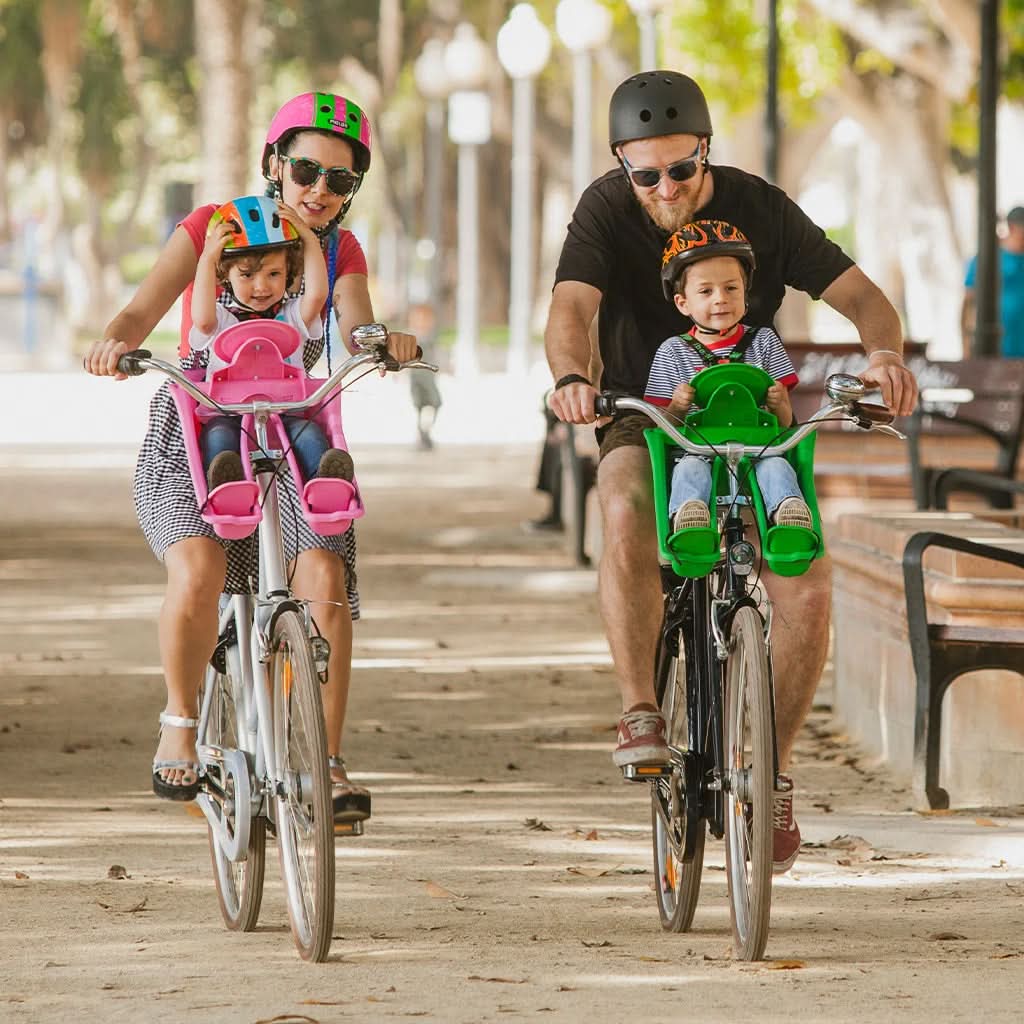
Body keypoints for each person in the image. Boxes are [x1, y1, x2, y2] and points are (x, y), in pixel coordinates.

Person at [545, 70, 917, 873]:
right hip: (646, 417)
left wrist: (884, 355)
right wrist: (574, 378)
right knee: (625, 514)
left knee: (807, 581)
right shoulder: (607, 209)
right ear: (622, 166)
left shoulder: (761, 207)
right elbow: (572, 309)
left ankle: (773, 771)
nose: (665, 187)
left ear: (706, 150)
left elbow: (862, 296)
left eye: (682, 168)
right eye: (645, 173)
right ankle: (642, 711)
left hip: (752, 421)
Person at [84, 92, 418, 822]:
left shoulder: (339, 250)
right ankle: (180, 722)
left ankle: (326, 764)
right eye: (305, 171)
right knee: (199, 568)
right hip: (202, 428)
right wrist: (116, 341)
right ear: (274, 163)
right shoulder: (212, 227)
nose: (319, 191)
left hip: (294, 430)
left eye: (339, 181)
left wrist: (378, 341)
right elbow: (143, 310)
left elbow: (356, 318)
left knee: (322, 570)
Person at [645, 219, 812, 533]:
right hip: (697, 450)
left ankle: (788, 515)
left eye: (731, 288)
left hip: (759, 450)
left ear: (745, 293)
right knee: (690, 470)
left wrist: (778, 403)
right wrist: (678, 407)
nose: (720, 298)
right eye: (706, 291)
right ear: (683, 303)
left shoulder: (764, 342)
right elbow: (661, 426)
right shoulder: (673, 352)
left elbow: (788, 422)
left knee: (777, 466)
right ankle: (689, 519)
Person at [191, 194, 355, 490]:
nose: (261, 286)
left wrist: (306, 239)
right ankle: (227, 487)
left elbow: (317, 295)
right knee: (218, 437)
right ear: (225, 275)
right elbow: (201, 321)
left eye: (274, 273)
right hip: (229, 412)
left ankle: (326, 481)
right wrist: (206, 259)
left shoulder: (292, 315)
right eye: (247, 274)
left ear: (288, 272)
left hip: (287, 409)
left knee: (309, 434)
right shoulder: (222, 318)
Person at [961, 205, 1024, 358]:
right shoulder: (987, 258)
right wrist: (966, 347)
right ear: (1011, 227)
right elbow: (969, 303)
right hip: (995, 351)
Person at [406, 302, 443, 450]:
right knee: (419, 405)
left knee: (435, 402)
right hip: (416, 377)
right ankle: (421, 432)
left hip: (428, 377)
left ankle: (426, 430)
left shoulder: (431, 337)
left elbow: (436, 355)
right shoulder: (411, 337)